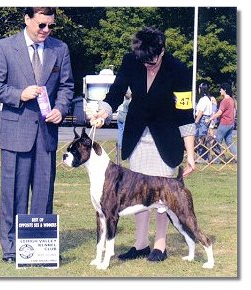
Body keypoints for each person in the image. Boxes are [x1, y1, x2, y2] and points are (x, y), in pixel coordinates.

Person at [90, 26, 195, 262]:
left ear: (162, 50)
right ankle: (140, 244)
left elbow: (185, 113)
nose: (148, 64)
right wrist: (102, 113)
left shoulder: (178, 69)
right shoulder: (130, 61)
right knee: (137, 192)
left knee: (161, 194)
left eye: (153, 60)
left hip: (165, 139)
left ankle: (160, 244)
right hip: (137, 136)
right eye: (144, 61)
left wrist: (190, 153)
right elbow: (115, 93)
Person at [0, 7, 74, 263]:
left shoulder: (60, 49)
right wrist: (18, 95)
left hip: (46, 134)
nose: (46, 30)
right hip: (16, 131)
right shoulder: (4, 47)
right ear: (27, 19)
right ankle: (11, 248)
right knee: (13, 192)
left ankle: (38, 246)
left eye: (50, 26)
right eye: (41, 25)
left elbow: (67, 87)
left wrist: (60, 108)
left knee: (44, 193)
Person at [206, 82, 237, 160]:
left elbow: (219, 113)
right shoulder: (231, 100)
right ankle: (237, 156)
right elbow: (234, 111)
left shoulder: (225, 101)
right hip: (231, 123)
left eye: (221, 89)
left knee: (217, 141)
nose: (220, 91)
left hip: (224, 123)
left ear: (225, 90)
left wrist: (210, 119)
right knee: (229, 142)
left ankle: (217, 159)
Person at [194, 82, 212, 162]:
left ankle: (203, 157)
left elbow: (200, 112)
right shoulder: (208, 99)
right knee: (202, 138)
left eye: (199, 88)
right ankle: (203, 157)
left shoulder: (203, 100)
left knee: (201, 138)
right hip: (206, 119)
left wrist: (196, 122)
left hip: (202, 119)